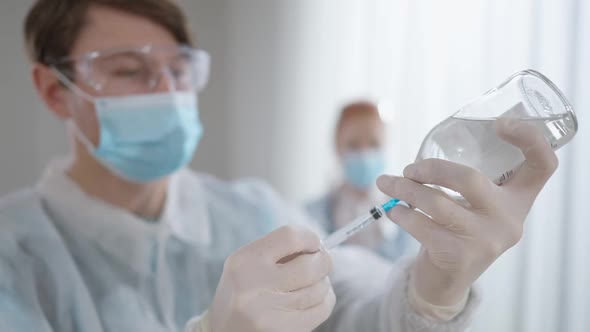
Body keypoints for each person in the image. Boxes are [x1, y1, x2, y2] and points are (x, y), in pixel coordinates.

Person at [0, 1, 559, 331]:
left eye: (179, 69)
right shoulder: (13, 253)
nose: (166, 91)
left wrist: (433, 291)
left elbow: (360, 306)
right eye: (129, 70)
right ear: (54, 90)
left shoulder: (253, 209)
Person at [307, 101, 413, 261]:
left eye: (374, 143)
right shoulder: (311, 215)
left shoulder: (403, 212)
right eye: (353, 145)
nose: (364, 154)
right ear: (337, 146)